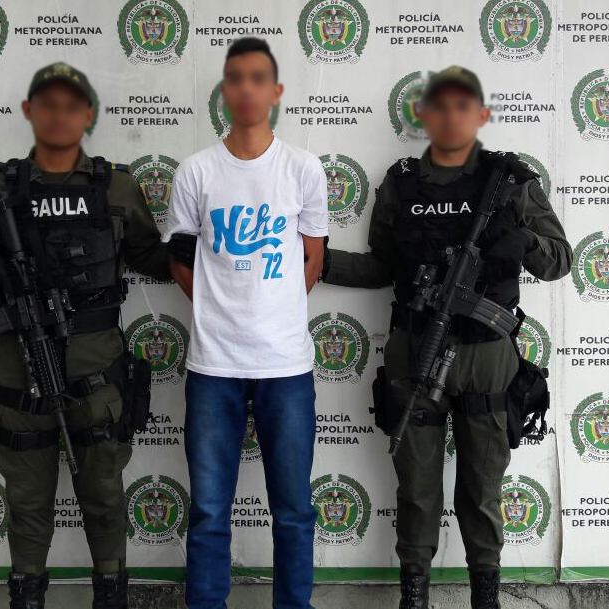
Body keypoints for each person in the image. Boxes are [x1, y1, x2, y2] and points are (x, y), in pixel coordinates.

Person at [0, 62, 170, 609]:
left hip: (98, 375)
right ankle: (26, 595)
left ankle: (111, 595)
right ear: (30, 112)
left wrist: (198, 252)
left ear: (87, 114)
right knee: (27, 499)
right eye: (48, 105)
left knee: (104, 496)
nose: (59, 116)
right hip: (17, 369)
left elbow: (148, 256)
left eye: (71, 105)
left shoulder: (117, 187)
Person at [321, 66, 571, 609]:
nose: (451, 117)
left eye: (463, 107)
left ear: (479, 115)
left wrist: (525, 242)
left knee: (482, 488)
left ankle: (486, 595)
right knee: (416, 486)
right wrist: (318, 260)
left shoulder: (511, 181)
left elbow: (559, 260)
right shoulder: (401, 183)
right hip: (416, 349)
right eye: (440, 107)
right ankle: (414, 597)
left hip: (487, 354)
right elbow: (382, 265)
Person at [163, 37, 328, 609]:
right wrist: (221, 306)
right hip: (214, 366)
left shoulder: (303, 169)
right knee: (209, 511)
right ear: (224, 90)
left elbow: (313, 259)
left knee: (294, 510)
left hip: (286, 366)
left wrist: (273, 308)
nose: (246, 89)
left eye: (258, 78)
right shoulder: (196, 171)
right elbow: (179, 259)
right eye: (235, 77)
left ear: (275, 91)